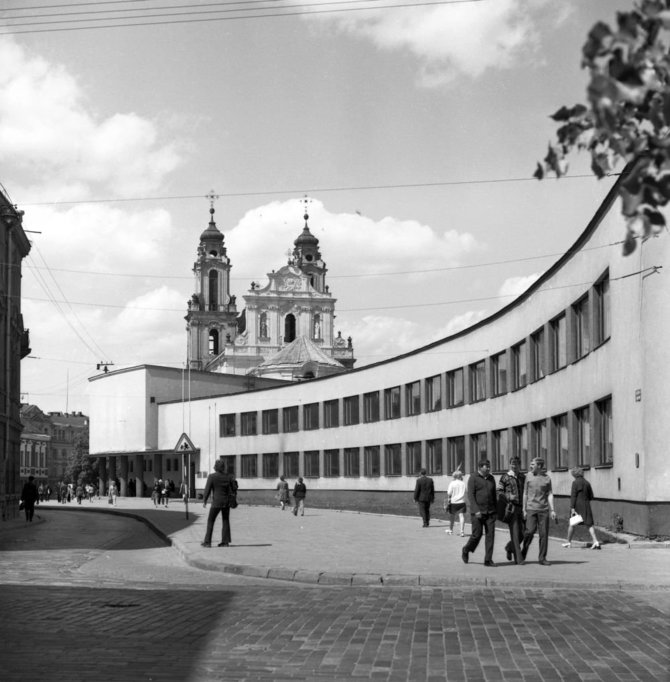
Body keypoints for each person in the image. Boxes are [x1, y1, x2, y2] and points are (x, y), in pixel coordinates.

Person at [521, 458, 557, 566]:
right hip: (531, 508)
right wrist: (524, 509)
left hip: (543, 510)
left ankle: (542, 558)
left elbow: (550, 494)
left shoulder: (547, 478)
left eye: (533, 464)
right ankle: (523, 551)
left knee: (544, 534)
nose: (530, 466)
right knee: (529, 531)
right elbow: (525, 493)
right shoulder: (528, 476)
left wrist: (552, 510)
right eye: (531, 464)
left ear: (539, 466)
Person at [462, 460, 497, 566]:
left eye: (489, 466)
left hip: (490, 512)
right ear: (480, 467)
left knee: (490, 536)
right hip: (477, 512)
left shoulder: (491, 478)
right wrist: (476, 510)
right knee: (476, 535)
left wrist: (495, 511)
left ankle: (488, 560)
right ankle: (466, 549)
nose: (489, 468)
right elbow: (471, 496)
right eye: (487, 467)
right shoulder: (473, 478)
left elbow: (494, 495)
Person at [202, 459, 238, 547]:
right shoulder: (229, 476)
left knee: (211, 520)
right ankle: (225, 542)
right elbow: (234, 487)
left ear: (215, 467)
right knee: (225, 520)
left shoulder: (212, 476)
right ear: (223, 467)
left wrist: (204, 500)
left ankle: (207, 542)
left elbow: (207, 489)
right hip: (226, 502)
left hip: (216, 503)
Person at [497, 456, 526, 565]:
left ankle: (509, 548)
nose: (514, 466)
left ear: (520, 465)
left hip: (522, 508)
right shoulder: (505, 477)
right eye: (512, 464)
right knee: (515, 533)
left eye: (516, 464)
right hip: (511, 508)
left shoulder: (523, 477)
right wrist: (508, 496)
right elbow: (499, 491)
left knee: (524, 533)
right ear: (510, 465)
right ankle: (518, 559)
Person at [563, 467, 600, 549]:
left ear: (575, 474)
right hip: (586, 504)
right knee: (589, 524)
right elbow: (591, 496)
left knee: (572, 523)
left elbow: (573, 496)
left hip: (577, 505)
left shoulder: (575, 483)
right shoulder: (587, 483)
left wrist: (572, 508)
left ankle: (568, 542)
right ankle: (596, 541)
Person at [444, 469, 466, 536]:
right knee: (461, 516)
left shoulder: (452, 483)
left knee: (452, 516)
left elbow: (449, 493)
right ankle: (462, 531)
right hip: (462, 502)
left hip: (454, 502)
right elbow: (465, 491)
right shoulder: (463, 483)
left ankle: (450, 530)